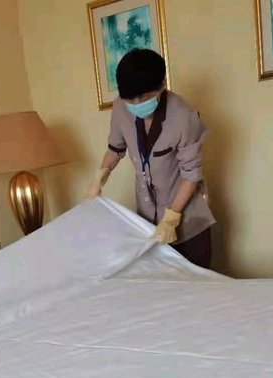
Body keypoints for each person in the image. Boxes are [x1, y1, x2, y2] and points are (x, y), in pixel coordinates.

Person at [86, 48, 215, 269]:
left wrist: (171, 219)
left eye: (144, 97)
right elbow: (115, 149)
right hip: (146, 222)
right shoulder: (120, 109)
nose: (137, 104)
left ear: (162, 85)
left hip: (188, 223)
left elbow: (191, 175)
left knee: (195, 284)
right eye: (130, 99)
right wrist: (99, 178)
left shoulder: (184, 116)